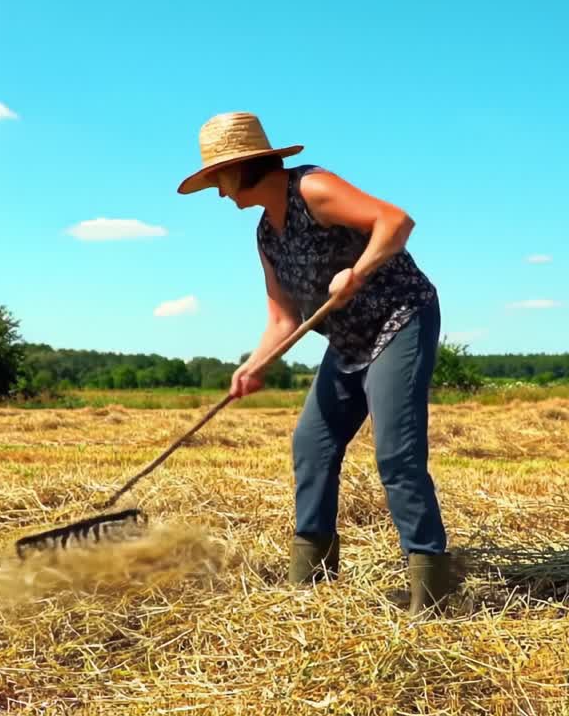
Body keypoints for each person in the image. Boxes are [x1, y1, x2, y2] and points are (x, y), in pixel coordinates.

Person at [177, 112, 455, 615]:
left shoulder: (312, 188)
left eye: (219, 179)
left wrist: (358, 271)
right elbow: (282, 318)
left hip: (399, 320)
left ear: (242, 166)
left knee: (396, 454)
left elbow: (396, 221)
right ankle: (313, 582)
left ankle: (431, 589)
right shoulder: (266, 236)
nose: (220, 194)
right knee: (311, 444)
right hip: (347, 342)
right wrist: (253, 365)